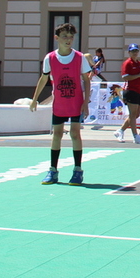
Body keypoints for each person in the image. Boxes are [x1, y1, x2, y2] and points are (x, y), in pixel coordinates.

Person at [29, 22, 92, 185]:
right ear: (56, 38)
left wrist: (86, 102)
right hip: (59, 103)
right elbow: (44, 78)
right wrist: (35, 99)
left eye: (71, 37)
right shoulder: (50, 58)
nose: (68, 40)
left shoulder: (79, 58)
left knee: (75, 134)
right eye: (64, 36)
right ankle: (53, 171)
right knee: (56, 135)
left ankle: (78, 170)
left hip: (76, 102)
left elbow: (86, 79)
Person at [115, 44, 140, 144]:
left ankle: (120, 131)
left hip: (139, 91)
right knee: (132, 114)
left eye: (136, 51)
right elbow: (125, 77)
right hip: (130, 90)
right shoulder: (127, 63)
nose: (135, 53)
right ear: (129, 52)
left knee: (136, 115)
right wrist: (138, 75)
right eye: (133, 51)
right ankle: (135, 136)